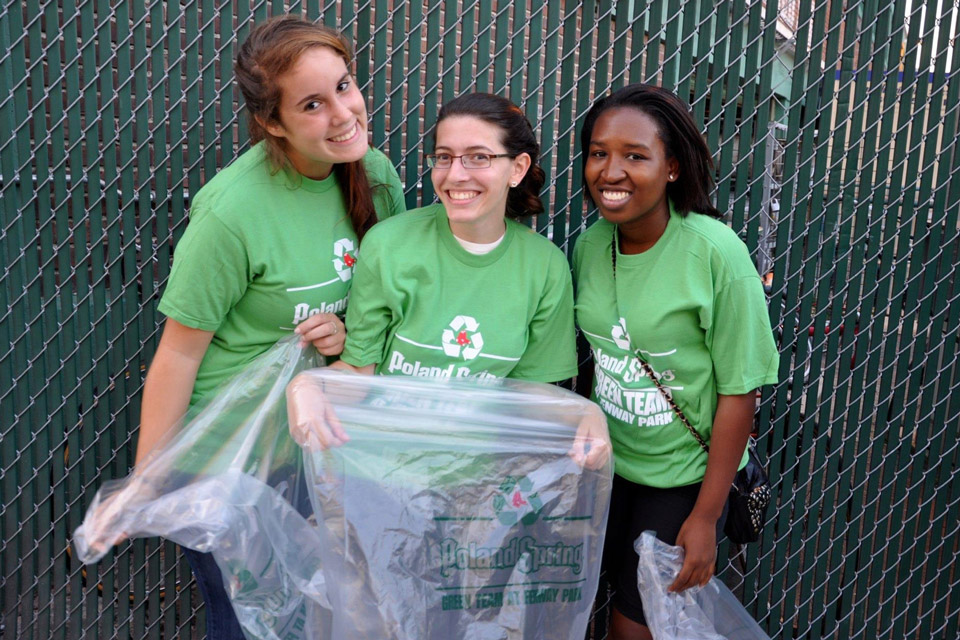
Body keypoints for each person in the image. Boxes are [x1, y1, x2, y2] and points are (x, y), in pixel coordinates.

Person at [132, 16, 405, 639]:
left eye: (344, 86)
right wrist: (150, 480)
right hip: (232, 460)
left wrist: (343, 332)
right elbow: (177, 355)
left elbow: (384, 307)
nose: (343, 113)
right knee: (249, 628)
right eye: (313, 104)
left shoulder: (376, 177)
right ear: (273, 123)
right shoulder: (231, 213)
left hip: (326, 450)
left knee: (328, 619)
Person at [287, 92, 607, 470]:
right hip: (378, 468)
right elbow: (360, 371)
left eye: (479, 157)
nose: (455, 174)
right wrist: (306, 385)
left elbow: (529, 397)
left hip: (478, 481)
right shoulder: (390, 245)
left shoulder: (544, 267)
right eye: (444, 157)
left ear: (518, 168)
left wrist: (586, 415)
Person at [572, 84, 779, 640]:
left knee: (636, 626)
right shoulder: (591, 245)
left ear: (672, 168)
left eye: (635, 156)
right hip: (605, 471)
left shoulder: (714, 252)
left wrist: (706, 516)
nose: (610, 171)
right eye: (598, 152)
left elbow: (741, 391)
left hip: (681, 480)